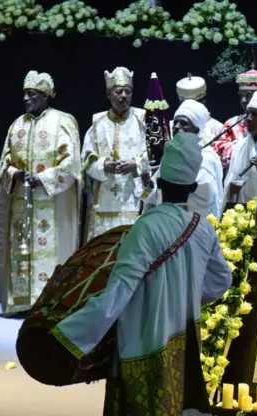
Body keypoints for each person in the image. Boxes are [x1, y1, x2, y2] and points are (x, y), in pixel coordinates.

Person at [49, 133, 232, 416]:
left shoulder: (145, 228)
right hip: (185, 341)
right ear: (193, 187)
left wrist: (71, 333)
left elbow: (118, 293)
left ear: (159, 182)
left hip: (141, 340)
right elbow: (221, 281)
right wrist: (187, 295)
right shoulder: (203, 228)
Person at [0, 70, 82, 317]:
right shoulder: (16, 125)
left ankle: (48, 303)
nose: (26, 99)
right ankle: (21, 301)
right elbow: (3, 165)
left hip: (51, 202)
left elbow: (71, 164)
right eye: (24, 94)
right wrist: (16, 174)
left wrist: (43, 178)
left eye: (32, 94)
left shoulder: (63, 122)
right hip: (22, 202)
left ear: (46, 96)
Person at [82, 66, 148, 241]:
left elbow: (156, 155)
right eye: (119, 92)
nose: (124, 96)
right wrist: (103, 165)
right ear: (109, 94)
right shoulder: (97, 123)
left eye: (128, 91)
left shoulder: (143, 120)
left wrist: (137, 164)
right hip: (103, 200)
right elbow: (86, 159)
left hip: (134, 198)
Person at [142, 100, 224, 218]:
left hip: (194, 225)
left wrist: (182, 183)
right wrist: (149, 184)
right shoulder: (171, 153)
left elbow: (209, 195)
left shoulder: (207, 157)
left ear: (196, 130)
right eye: (175, 122)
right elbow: (157, 195)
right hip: (166, 221)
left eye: (183, 123)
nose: (176, 127)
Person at [172, 74, 224, 142]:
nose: (177, 126)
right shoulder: (169, 128)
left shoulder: (219, 129)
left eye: (184, 123)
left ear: (203, 102)